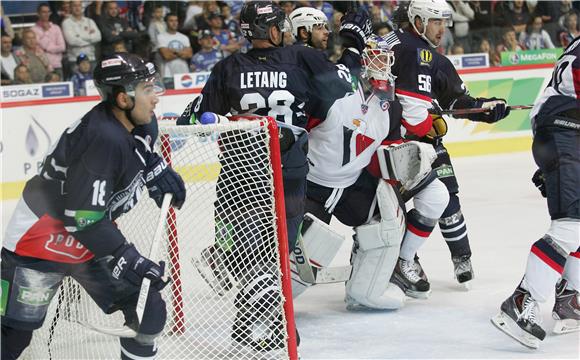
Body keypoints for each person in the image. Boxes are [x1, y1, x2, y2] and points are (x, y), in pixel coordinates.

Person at [177, 0, 370, 350]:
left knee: (250, 258)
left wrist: (199, 116)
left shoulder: (226, 67)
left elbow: (195, 121)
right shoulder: (301, 58)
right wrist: (354, 41)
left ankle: (249, 320)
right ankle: (278, 322)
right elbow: (345, 82)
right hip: (290, 175)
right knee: (277, 254)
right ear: (276, 30)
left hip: (239, 175)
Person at [0, 53, 186, 360]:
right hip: (40, 241)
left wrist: (156, 169)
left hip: (91, 237)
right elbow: (82, 220)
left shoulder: (141, 120)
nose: (156, 98)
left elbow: (141, 153)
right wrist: (129, 257)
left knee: (148, 310)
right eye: (147, 89)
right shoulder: (101, 139)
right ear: (124, 99)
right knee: (12, 336)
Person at [299, 34, 447, 309]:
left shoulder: (391, 108)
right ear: (362, 60)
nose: (383, 66)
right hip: (311, 186)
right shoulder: (331, 90)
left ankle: (363, 290)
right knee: (304, 254)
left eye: (387, 60)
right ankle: (271, 301)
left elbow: (382, 161)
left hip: (351, 186)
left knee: (389, 221)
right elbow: (298, 133)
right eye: (376, 57)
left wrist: (407, 159)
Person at [385, 1, 511, 298]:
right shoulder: (403, 46)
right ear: (416, 21)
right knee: (392, 208)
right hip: (396, 144)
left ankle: (458, 256)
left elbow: (456, 101)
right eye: (436, 22)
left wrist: (485, 109)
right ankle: (402, 260)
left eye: (445, 23)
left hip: (427, 145)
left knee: (446, 197)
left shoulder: (437, 60)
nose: (443, 29)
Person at [491, 36, 580, 349]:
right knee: (570, 226)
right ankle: (521, 302)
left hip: (564, 133)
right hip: (564, 133)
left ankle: (570, 298)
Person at [61, 0, 101, 75]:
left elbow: (98, 37)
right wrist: (89, 37)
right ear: (70, 8)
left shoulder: (90, 21)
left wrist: (79, 36)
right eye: (75, 6)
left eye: (79, 5)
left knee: (94, 84)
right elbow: (72, 41)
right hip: (74, 60)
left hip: (91, 59)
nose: (77, 8)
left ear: (82, 7)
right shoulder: (66, 23)